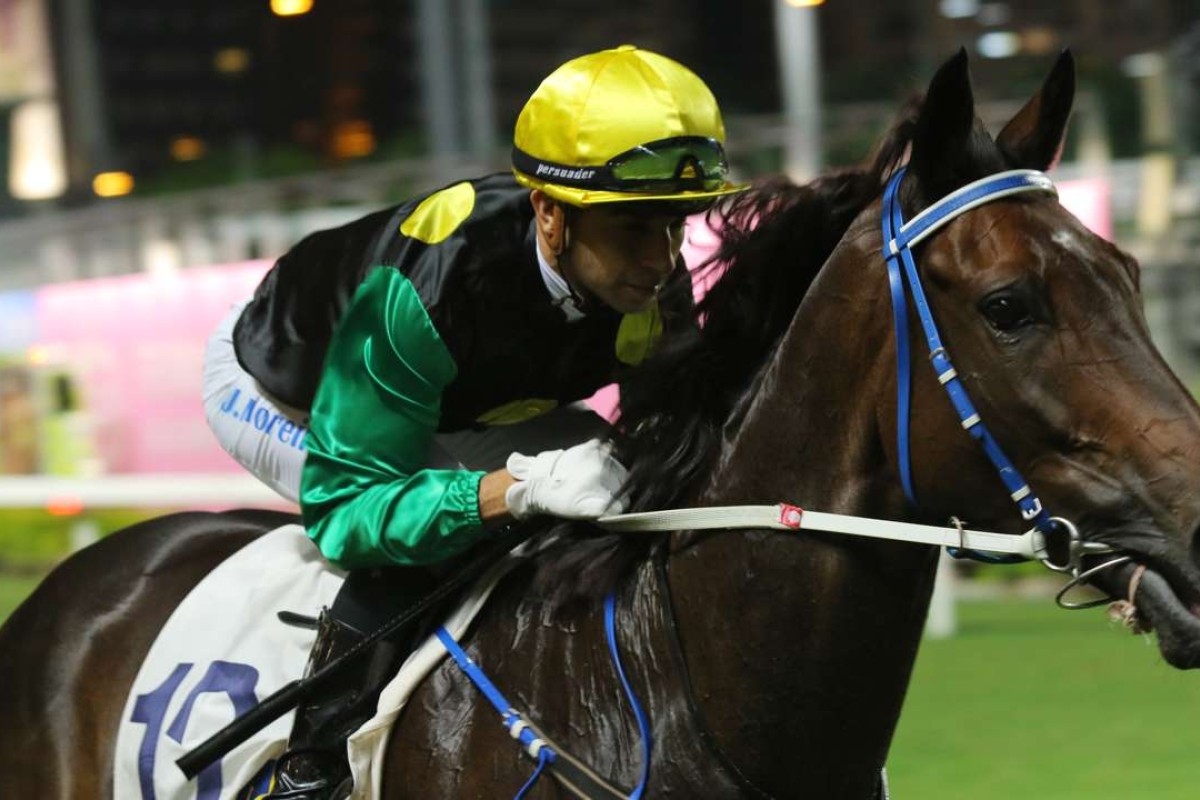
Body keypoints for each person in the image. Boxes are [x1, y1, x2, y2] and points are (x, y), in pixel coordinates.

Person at [202, 44, 743, 799]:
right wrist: (511, 490)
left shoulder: (648, 283)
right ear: (550, 213)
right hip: (282, 392)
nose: (660, 259)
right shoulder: (426, 292)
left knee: (628, 494)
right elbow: (345, 512)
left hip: (464, 402)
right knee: (422, 546)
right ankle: (311, 761)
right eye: (631, 229)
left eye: (674, 226)